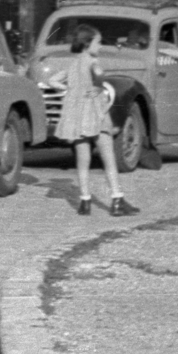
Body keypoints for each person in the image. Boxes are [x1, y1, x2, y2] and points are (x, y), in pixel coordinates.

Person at [50, 23, 139, 218]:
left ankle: (84, 202)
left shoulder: (72, 64)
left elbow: (52, 80)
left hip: (77, 116)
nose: (99, 47)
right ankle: (117, 200)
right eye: (98, 42)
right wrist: (98, 88)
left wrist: (69, 91)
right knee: (108, 158)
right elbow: (100, 76)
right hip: (95, 113)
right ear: (87, 43)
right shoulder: (92, 62)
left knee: (83, 160)